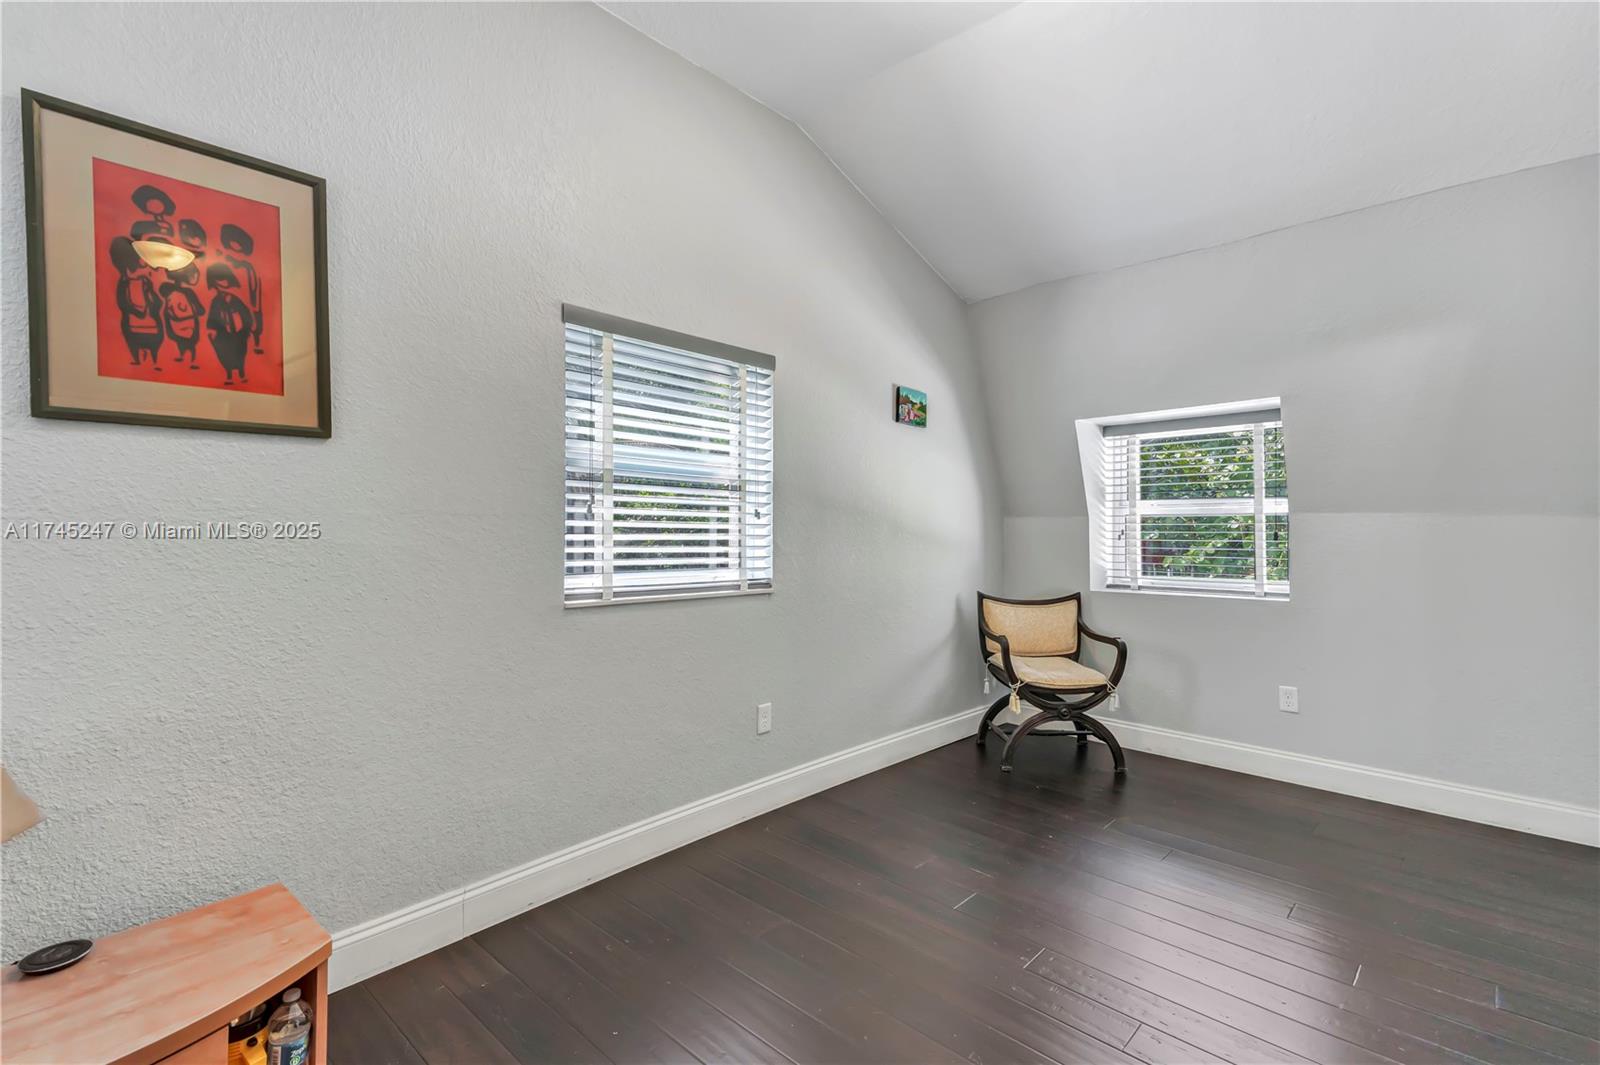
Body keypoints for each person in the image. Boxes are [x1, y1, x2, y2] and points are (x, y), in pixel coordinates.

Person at [109, 236, 163, 369]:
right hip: (132, 324)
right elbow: (122, 303)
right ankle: (137, 359)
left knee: (153, 344)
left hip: (151, 323)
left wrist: (152, 304)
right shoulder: (123, 284)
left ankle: (154, 360)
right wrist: (136, 311)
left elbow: (156, 301)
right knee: (134, 342)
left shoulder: (145, 283)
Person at [205, 262, 252, 386]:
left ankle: (242, 373)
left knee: (240, 353)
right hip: (223, 335)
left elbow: (246, 315)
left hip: (238, 334)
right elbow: (212, 317)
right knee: (224, 355)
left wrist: (246, 330)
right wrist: (212, 330)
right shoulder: (215, 302)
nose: (221, 286)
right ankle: (229, 374)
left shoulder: (236, 300)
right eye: (217, 283)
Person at [219, 223, 263, 353]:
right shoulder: (223, 266)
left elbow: (254, 288)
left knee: (254, 325)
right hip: (236, 304)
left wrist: (255, 307)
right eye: (231, 248)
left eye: (238, 249)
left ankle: (255, 343)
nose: (233, 253)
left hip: (250, 303)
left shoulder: (248, 268)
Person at [160, 263, 205, 370]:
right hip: (187, 322)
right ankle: (188, 358)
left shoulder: (168, 290)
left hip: (178, 322)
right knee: (188, 341)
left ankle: (190, 358)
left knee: (184, 340)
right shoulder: (188, 292)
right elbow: (200, 310)